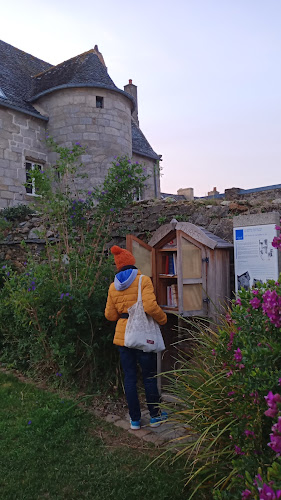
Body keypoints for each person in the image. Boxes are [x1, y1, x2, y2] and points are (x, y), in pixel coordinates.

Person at [105, 245, 168, 430]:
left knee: (130, 378)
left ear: (118, 267)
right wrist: (163, 319)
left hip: (123, 338)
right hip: (142, 334)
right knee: (149, 377)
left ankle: (134, 420)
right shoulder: (143, 281)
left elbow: (109, 315)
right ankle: (155, 416)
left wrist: (123, 312)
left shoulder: (112, 287)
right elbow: (149, 307)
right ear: (132, 262)